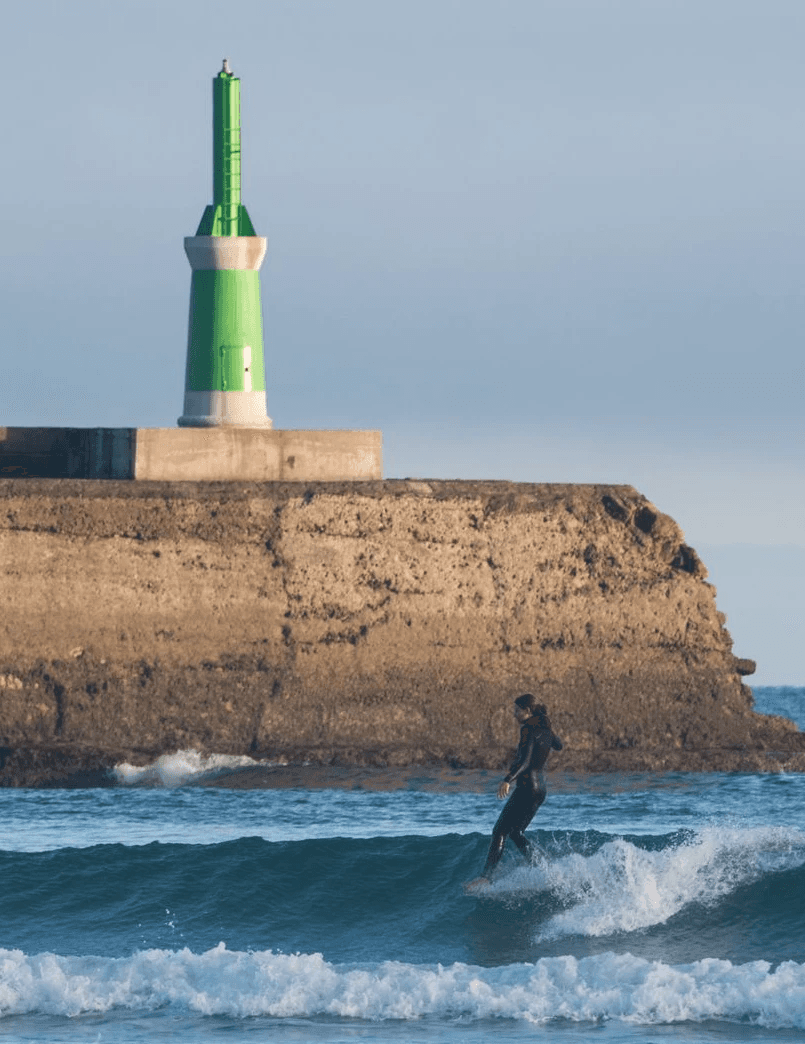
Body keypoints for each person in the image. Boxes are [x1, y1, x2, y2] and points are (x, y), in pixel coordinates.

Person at [469, 693, 563, 886]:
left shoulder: (528, 729)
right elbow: (558, 745)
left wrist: (507, 779)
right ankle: (542, 869)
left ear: (527, 711)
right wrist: (548, 728)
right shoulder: (545, 728)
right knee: (516, 832)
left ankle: (486, 878)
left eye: (516, 710)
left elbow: (525, 761)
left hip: (527, 788)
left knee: (499, 831)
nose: (514, 714)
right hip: (541, 790)